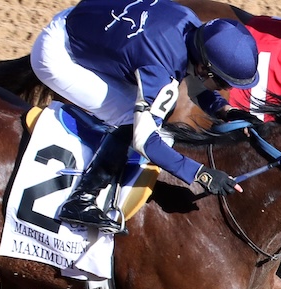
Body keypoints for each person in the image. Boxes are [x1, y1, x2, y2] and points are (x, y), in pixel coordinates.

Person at [31, 0, 262, 233]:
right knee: (129, 119)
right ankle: (81, 200)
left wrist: (226, 111)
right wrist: (200, 173)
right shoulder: (159, 68)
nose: (226, 89)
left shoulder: (189, 23)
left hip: (81, 21)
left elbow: (191, 79)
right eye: (223, 83)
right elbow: (144, 141)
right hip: (58, 55)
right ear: (204, 67)